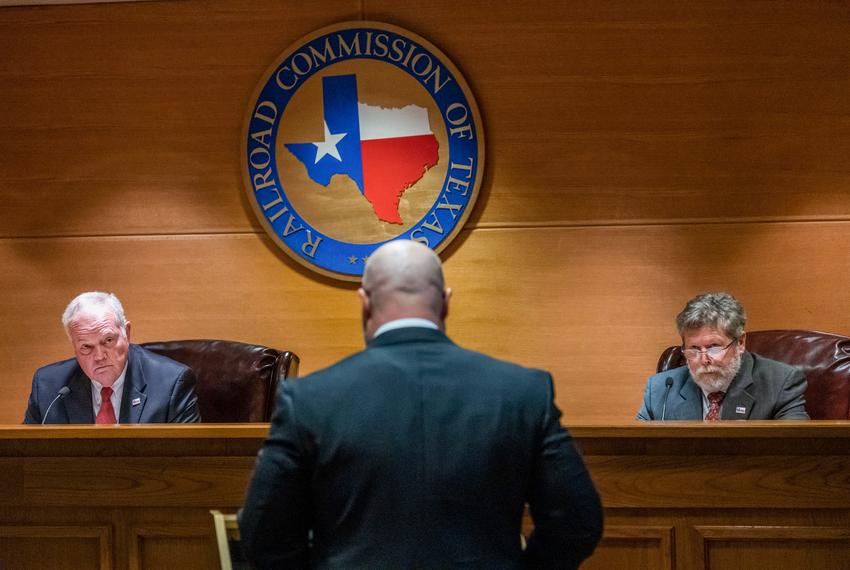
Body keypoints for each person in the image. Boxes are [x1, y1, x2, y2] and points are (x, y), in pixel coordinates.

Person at [239, 240, 603, 569]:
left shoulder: (308, 400)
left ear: (364, 303)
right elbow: (577, 522)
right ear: (445, 301)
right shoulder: (523, 392)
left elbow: (263, 536)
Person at [23, 291, 201, 424]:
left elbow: (187, 461)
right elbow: (25, 460)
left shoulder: (171, 384)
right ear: (74, 347)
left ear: (127, 333)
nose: (99, 356)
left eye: (108, 340)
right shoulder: (49, 387)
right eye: (86, 347)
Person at [637, 292, 808, 421]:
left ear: (740, 342)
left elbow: (796, 453)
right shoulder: (660, 390)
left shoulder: (780, 384)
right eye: (694, 349)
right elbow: (636, 454)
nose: (704, 360)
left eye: (714, 347)